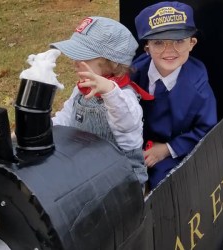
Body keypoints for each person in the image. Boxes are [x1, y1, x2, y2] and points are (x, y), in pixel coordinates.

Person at [50, 16, 153, 187]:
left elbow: (126, 124)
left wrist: (109, 91)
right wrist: (39, 129)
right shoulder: (81, 90)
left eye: (82, 57)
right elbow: (65, 118)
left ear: (111, 63)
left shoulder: (125, 96)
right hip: (88, 169)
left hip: (122, 180)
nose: (74, 63)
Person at [131, 2, 217, 189]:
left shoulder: (198, 87)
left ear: (191, 43)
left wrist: (167, 150)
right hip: (134, 143)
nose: (169, 51)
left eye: (178, 41)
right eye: (159, 42)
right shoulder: (134, 74)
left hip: (173, 149)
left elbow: (205, 129)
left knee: (165, 185)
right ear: (147, 48)